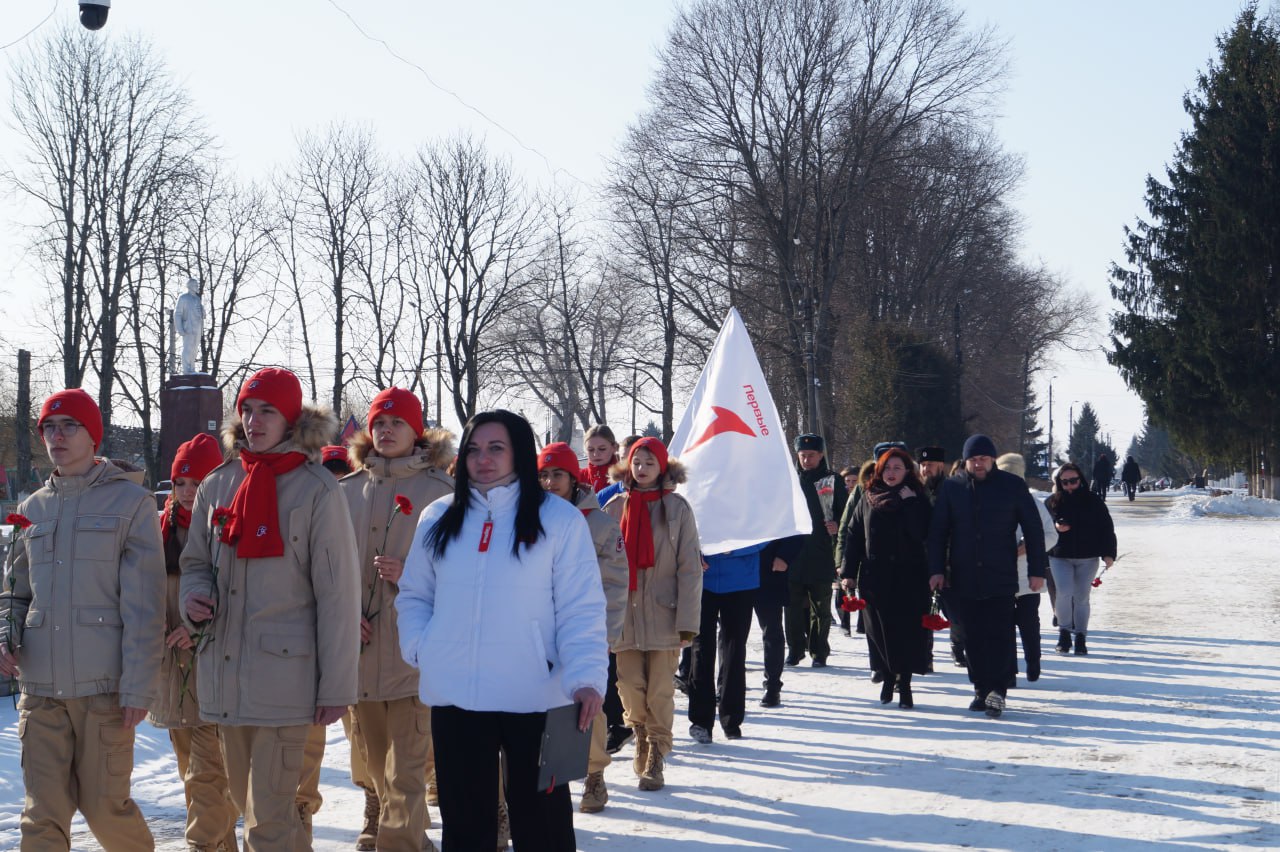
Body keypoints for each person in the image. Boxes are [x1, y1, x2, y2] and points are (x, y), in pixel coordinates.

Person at [397, 411, 607, 851]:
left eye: (496, 448)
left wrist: (586, 677)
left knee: (542, 825)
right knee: (465, 822)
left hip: (535, 694)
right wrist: (422, 647)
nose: (483, 459)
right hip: (457, 695)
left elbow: (581, 608)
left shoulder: (558, 520)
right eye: (473, 449)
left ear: (520, 454)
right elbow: (415, 594)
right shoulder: (438, 516)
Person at [180, 367, 361, 850]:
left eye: (268, 412)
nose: (254, 421)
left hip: (287, 681)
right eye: (247, 410)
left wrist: (337, 685)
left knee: (270, 821)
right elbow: (195, 561)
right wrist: (190, 596)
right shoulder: (217, 486)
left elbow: (339, 595)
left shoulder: (317, 490)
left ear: (291, 420)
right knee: (250, 809)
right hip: (224, 673)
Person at [0, 389, 167, 851]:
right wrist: (5, 633)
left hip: (104, 693)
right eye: (49, 428)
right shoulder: (32, 509)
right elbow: (15, 592)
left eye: (69, 426)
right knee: (41, 815)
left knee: (105, 810)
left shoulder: (130, 504)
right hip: (42, 692)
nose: (57, 436)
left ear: (92, 435)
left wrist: (138, 686)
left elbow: (145, 606)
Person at [339, 388, 455, 851]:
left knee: (407, 770)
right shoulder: (345, 491)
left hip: (415, 658)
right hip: (361, 656)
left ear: (416, 431)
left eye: (397, 424)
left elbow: (468, 575)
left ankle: (401, 842)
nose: (386, 431)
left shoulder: (444, 495)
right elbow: (324, 572)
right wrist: (345, 616)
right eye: (379, 424)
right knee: (376, 765)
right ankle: (410, 838)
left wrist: (412, 578)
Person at [149, 433, 239, 852]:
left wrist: (197, 627)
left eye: (196, 482)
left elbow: (240, 596)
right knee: (196, 780)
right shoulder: (155, 529)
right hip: (172, 673)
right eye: (179, 482)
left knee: (207, 779)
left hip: (213, 667)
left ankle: (202, 846)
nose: (186, 492)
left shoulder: (226, 527)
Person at [603, 437, 701, 791]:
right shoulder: (614, 508)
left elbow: (690, 568)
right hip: (623, 616)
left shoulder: (677, 509)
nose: (641, 469)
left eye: (649, 463)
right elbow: (600, 566)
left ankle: (657, 754)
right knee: (629, 685)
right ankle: (640, 734)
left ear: (663, 468)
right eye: (636, 462)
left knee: (659, 689)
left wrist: (687, 623)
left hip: (665, 614)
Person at [927, 434, 1048, 719]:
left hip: (1001, 575)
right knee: (971, 636)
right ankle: (980, 689)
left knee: (1000, 634)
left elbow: (1033, 530)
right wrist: (935, 570)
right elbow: (938, 533)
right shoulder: (952, 488)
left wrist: (1036, 571)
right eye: (973, 459)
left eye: (983, 458)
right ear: (965, 461)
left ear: (993, 459)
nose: (978, 464)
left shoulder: (1012, 486)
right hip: (963, 575)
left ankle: (998, 691)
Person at [536, 441, 628, 813]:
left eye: (558, 474)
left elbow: (615, 584)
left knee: (586, 708)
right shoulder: (529, 519)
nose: (550, 482)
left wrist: (604, 635)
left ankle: (594, 774)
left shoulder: (601, 524)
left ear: (574, 479)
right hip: (536, 634)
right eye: (543, 474)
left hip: (582, 631)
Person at [840, 448, 933, 709]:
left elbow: (923, 534)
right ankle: (888, 676)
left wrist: (911, 503)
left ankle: (905, 684)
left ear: (907, 472)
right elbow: (854, 536)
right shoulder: (868, 497)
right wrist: (848, 573)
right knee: (879, 631)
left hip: (910, 577)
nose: (891, 473)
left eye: (897, 468)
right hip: (875, 578)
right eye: (887, 468)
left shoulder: (917, 497)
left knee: (908, 632)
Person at [785, 434, 847, 668]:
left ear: (821, 455)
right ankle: (794, 649)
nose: (807, 459)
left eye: (811, 455)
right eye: (803, 455)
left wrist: (836, 524)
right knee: (791, 607)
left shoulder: (833, 481)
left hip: (821, 553)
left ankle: (819, 651)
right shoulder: (789, 480)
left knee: (820, 607)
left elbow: (845, 515)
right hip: (793, 554)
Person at [995, 453, 1058, 683]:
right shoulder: (991, 503)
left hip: (1028, 576)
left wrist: (1029, 547)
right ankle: (1008, 670)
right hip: (999, 575)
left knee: (1028, 622)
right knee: (1003, 626)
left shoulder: (1033, 505)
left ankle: (1033, 660)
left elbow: (1051, 536)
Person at [1045, 463, 1117, 656]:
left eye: (1073, 481)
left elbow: (1106, 528)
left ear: (1081, 480)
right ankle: (1064, 632)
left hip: (1088, 556)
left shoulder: (1094, 501)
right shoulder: (1052, 502)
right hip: (1059, 556)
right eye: (1065, 482)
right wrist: (1055, 526)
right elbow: (1041, 525)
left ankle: (1081, 636)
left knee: (1081, 597)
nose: (1069, 485)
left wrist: (1109, 553)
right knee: (1064, 593)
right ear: (1059, 483)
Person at [753, 535, 806, 707]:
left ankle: (773, 686)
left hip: (769, 571)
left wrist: (785, 555)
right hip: (734, 570)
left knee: (772, 632)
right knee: (730, 634)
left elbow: (798, 525)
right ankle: (726, 687)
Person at [579, 425, 620, 494]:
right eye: (591, 450)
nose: (596, 454)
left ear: (614, 447)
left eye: (602, 449)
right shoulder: (578, 478)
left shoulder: (625, 477)